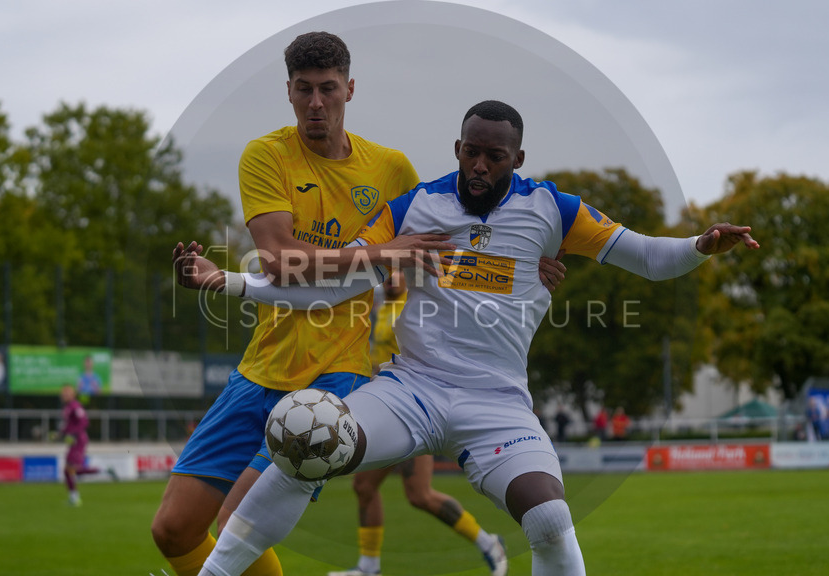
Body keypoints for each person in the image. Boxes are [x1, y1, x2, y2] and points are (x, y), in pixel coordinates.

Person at [178, 100, 758, 575]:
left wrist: (701, 246)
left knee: (551, 521)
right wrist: (227, 281)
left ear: (517, 159)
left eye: (494, 156)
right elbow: (331, 290)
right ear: (457, 147)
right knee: (305, 444)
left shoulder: (551, 209)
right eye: (470, 152)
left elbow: (649, 257)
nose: (479, 166)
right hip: (411, 389)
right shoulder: (414, 207)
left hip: (497, 402)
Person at [152, 33, 561, 576]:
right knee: (173, 529)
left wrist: (526, 263)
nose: (315, 103)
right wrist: (381, 252)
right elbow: (279, 260)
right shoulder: (266, 155)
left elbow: (457, 234)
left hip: (339, 373)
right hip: (260, 366)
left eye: (327, 88)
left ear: (349, 88)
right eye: (303, 89)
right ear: (289, 91)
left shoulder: (390, 169)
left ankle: (443, 552)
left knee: (237, 524)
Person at [329, 269, 507, 576]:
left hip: (413, 406)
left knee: (420, 495)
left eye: (398, 272)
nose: (390, 278)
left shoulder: (416, 305)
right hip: (386, 406)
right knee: (364, 487)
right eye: (387, 272)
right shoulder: (382, 308)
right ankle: (369, 567)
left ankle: (488, 543)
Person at [58, 384, 99, 506]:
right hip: (73, 441)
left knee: (72, 468)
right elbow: (69, 425)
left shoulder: (75, 406)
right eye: (63, 393)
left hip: (79, 440)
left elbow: (84, 422)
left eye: (67, 393)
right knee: (68, 470)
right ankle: (74, 497)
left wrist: (74, 434)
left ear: (73, 394)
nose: (64, 395)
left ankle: (104, 470)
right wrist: (60, 433)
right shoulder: (68, 407)